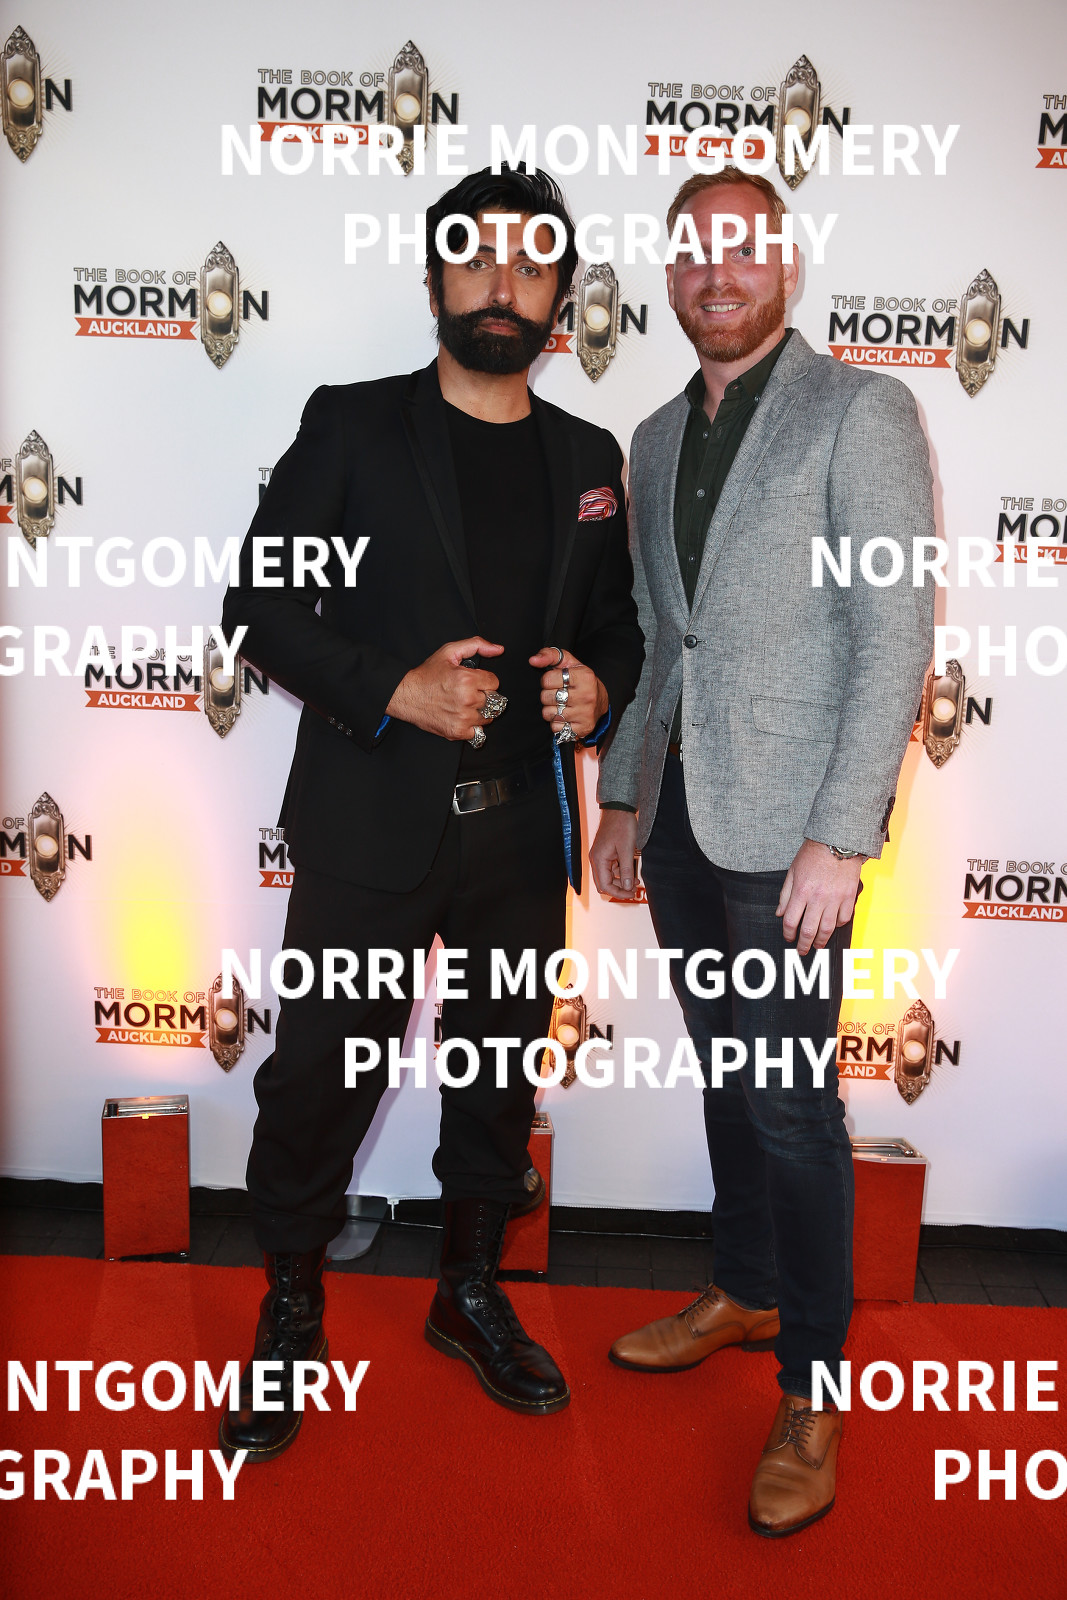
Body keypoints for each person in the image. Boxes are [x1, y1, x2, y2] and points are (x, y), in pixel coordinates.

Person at [219, 165, 643, 1461]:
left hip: (519, 834)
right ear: (433, 280)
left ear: (561, 294)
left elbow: (618, 630)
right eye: (476, 256)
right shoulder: (352, 425)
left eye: (531, 261)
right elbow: (258, 606)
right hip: (370, 823)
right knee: (317, 1078)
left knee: (497, 1078)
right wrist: (393, 688)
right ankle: (292, 1302)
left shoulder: (590, 459)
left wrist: (600, 686)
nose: (502, 281)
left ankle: (467, 1291)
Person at [591, 166, 934, 1537]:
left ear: (786, 263)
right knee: (731, 1077)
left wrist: (842, 835)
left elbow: (894, 631)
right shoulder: (653, 436)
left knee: (793, 1105)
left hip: (793, 829)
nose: (716, 273)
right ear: (670, 276)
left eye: (742, 248)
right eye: (692, 253)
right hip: (682, 814)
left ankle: (813, 1388)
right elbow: (656, 637)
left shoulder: (861, 410)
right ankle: (743, 1288)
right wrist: (624, 796)